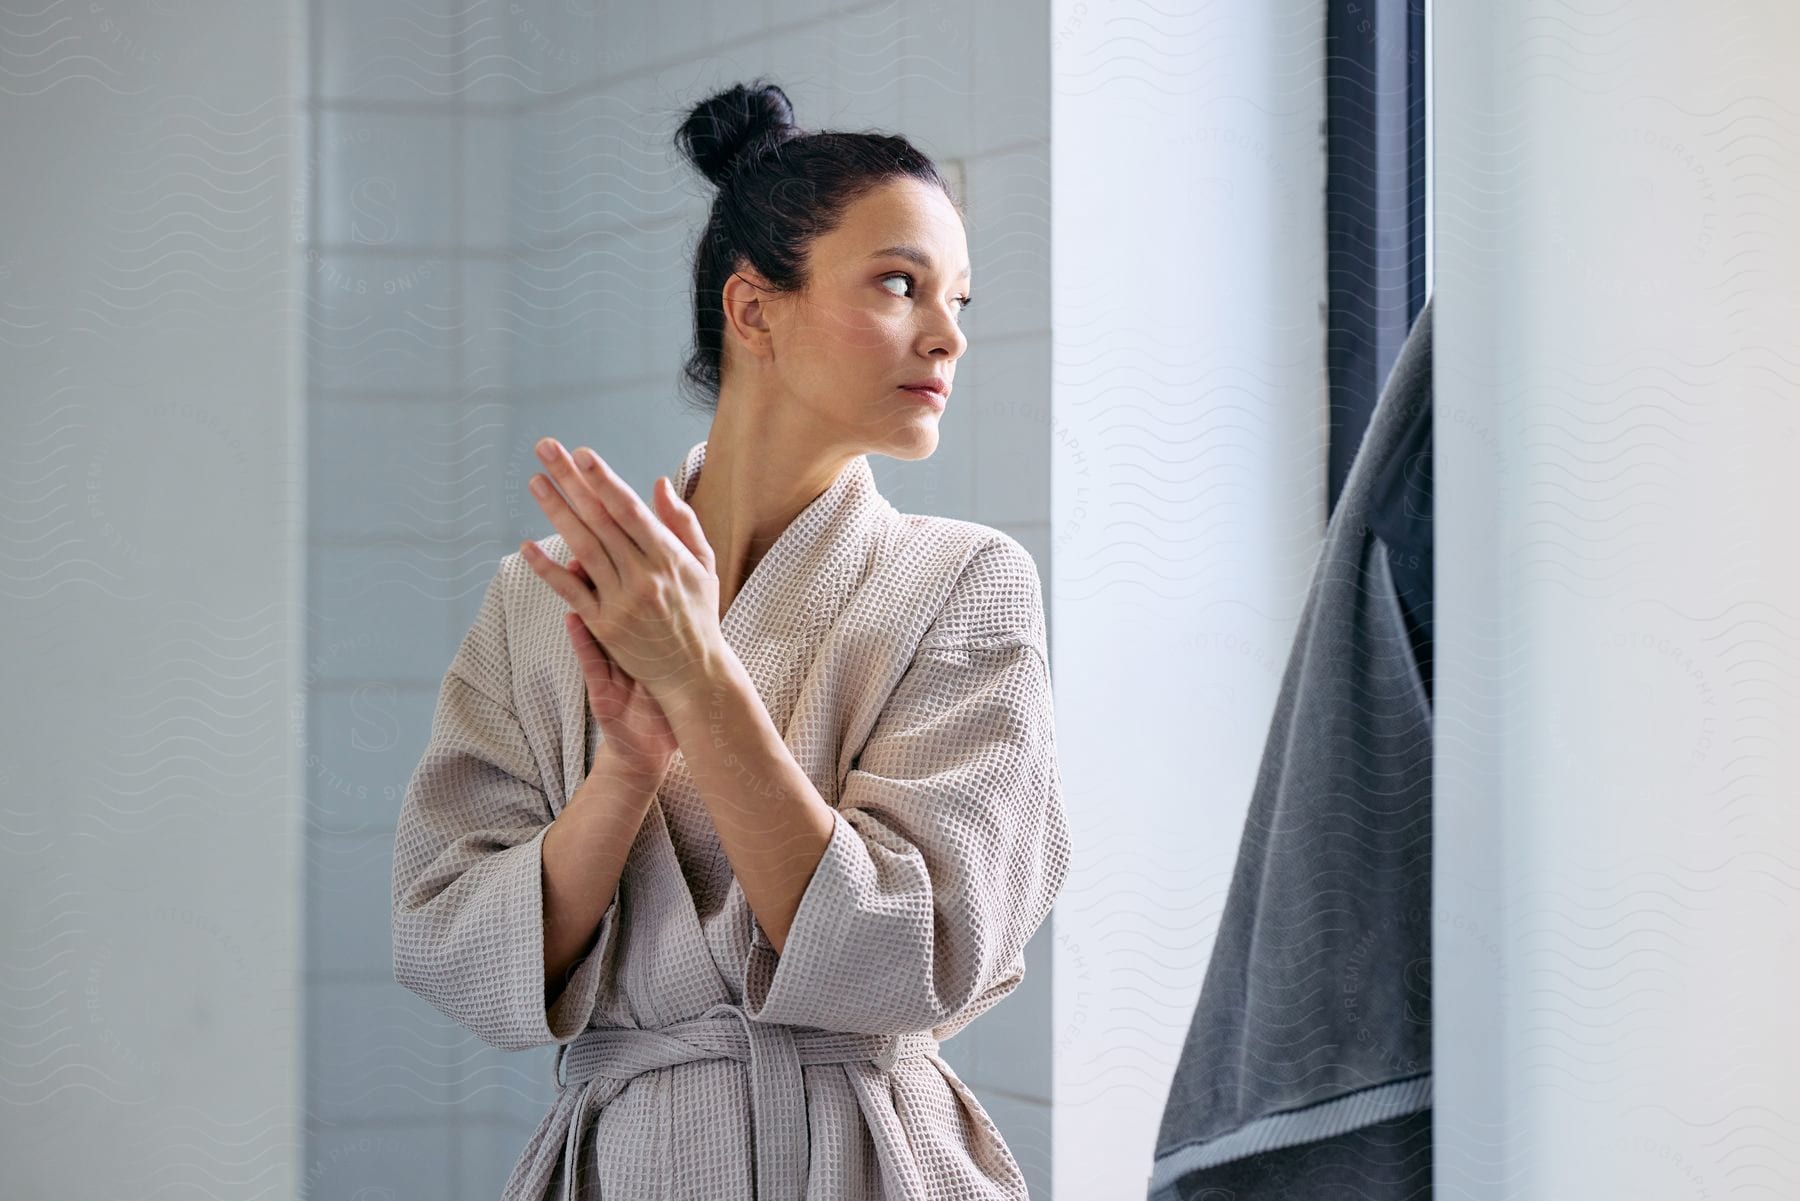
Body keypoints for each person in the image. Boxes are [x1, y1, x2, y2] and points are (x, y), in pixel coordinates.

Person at [390, 78, 1071, 1201]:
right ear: (754, 310)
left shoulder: (966, 585)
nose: (947, 335)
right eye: (900, 285)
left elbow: (915, 954)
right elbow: (452, 944)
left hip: (862, 1160)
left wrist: (698, 678)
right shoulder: (543, 597)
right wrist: (623, 774)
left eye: (959, 298)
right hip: (622, 1161)